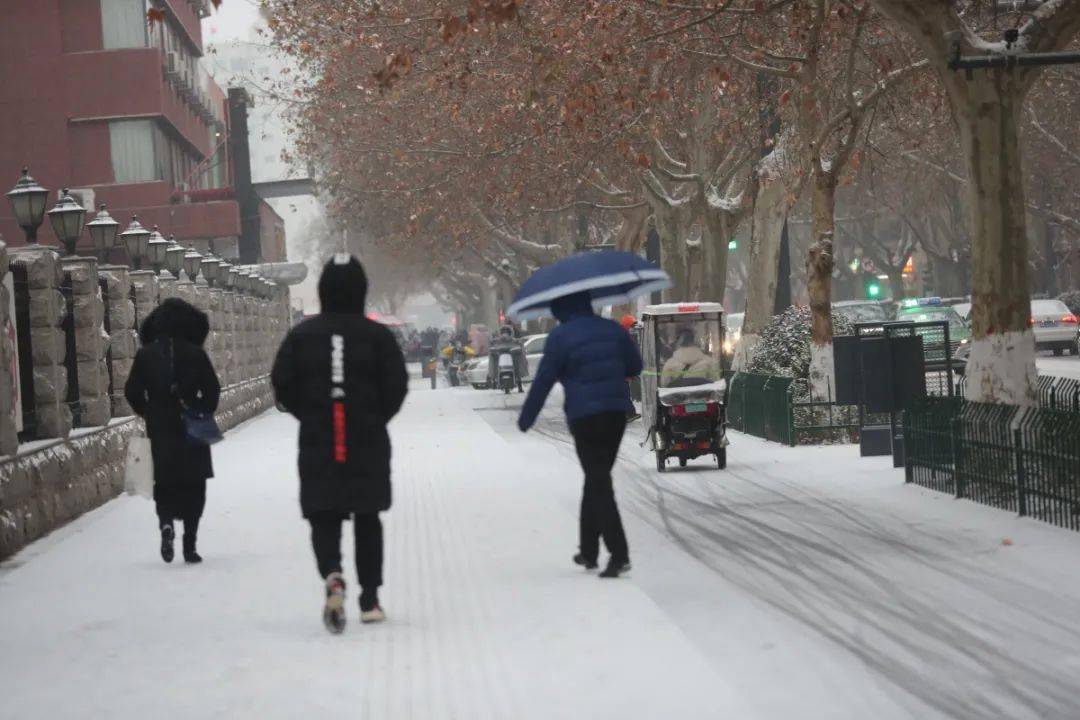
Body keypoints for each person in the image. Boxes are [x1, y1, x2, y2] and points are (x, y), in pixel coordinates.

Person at [271, 255, 409, 634]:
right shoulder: (377, 336)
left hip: (319, 439)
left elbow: (281, 382)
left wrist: (309, 412)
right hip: (366, 441)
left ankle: (332, 574)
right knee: (368, 518)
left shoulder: (301, 336)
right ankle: (370, 598)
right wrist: (375, 416)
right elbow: (397, 385)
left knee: (323, 515)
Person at [517, 291, 643, 579]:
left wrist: (527, 418)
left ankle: (619, 554)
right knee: (596, 479)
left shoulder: (560, 337)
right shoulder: (613, 329)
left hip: (584, 417)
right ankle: (588, 550)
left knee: (599, 481)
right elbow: (635, 366)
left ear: (561, 310)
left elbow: (544, 380)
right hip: (615, 413)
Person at [125, 298, 221, 565]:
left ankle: (166, 523)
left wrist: (148, 411)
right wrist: (202, 409)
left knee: (164, 484)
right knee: (195, 484)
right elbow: (213, 389)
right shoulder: (195, 353)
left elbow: (131, 391)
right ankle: (190, 546)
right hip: (193, 428)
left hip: (161, 429)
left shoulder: (146, 355)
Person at [488, 324, 526, 392]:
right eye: (503, 333)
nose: (505, 335)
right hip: (501, 361)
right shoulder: (497, 341)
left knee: (517, 370)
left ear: (510, 333)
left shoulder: (514, 340)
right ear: (500, 333)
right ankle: (495, 381)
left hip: (513, 359)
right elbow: (493, 345)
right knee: (496, 367)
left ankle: (520, 386)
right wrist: (492, 345)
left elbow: (519, 345)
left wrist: (519, 344)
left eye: (506, 333)